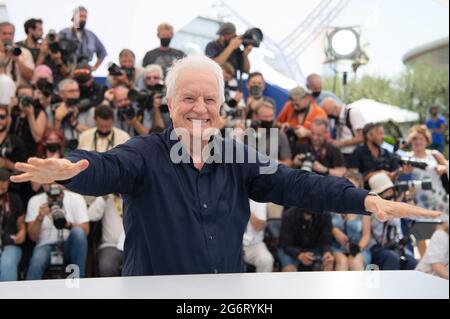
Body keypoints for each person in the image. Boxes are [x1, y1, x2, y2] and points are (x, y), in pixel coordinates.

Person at [11, 55, 439, 276]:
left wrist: (366, 200)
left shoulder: (238, 157)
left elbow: (296, 184)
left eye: (209, 99)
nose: (199, 108)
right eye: (188, 98)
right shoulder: (144, 154)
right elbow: (103, 166)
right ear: (170, 104)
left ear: (221, 107)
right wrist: (71, 167)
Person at [25, 183, 89, 279]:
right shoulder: (35, 201)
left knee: (78, 233)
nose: (52, 184)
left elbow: (85, 231)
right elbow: (33, 237)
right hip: (45, 245)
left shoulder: (76, 198)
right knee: (37, 260)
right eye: (48, 181)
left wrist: (66, 224)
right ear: (43, 183)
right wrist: (40, 217)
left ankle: (78, 281)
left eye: (56, 181)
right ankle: (30, 292)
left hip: (69, 244)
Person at [367, 172, 418, 270]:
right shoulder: (372, 209)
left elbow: (411, 218)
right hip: (378, 247)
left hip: (396, 246)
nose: (391, 193)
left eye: (392, 190)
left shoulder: (394, 203)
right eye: (387, 191)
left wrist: (408, 198)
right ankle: (388, 285)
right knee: (392, 258)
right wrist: (396, 204)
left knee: (412, 262)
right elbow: (386, 220)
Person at [331, 171, 371, 270]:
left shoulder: (364, 209)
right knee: (342, 262)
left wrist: (357, 249)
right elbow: (324, 225)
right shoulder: (331, 204)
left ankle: (360, 286)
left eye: (353, 188)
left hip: (358, 247)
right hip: (335, 246)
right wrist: (334, 231)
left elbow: (366, 235)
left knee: (355, 261)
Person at [279, 207, 334, 272]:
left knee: (328, 263)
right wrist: (300, 255)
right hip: (291, 248)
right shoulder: (288, 215)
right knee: (289, 269)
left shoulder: (325, 215)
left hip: (314, 248)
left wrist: (327, 252)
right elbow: (286, 244)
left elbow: (325, 240)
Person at [59, 6, 107, 71]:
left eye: (85, 17)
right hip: (67, 69)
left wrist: (95, 67)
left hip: (85, 69)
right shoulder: (64, 33)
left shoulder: (91, 35)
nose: (83, 19)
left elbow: (102, 52)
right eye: (81, 16)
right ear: (73, 17)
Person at [88, 193, 125, 277]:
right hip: (111, 246)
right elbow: (91, 216)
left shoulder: (135, 197)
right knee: (107, 266)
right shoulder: (107, 197)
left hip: (135, 246)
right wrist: (103, 197)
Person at [321, 97, 365, 164]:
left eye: (327, 113)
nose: (327, 116)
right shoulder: (336, 118)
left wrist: (341, 143)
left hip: (354, 156)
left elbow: (362, 137)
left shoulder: (353, 113)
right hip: (342, 155)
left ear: (333, 108)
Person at [0, 168, 26, 281]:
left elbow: (21, 226)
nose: (4, 184)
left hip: (10, 243)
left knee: (7, 264)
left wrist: (22, 233)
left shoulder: (14, 199)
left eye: (6, 181)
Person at [9, 83, 47, 157]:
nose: (24, 99)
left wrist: (30, 115)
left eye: (28, 97)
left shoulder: (39, 112)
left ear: (33, 98)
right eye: (22, 96)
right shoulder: (14, 111)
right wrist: (9, 109)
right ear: (16, 97)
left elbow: (37, 138)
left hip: (30, 155)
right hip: (12, 153)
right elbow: (5, 132)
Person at [242, 200, 273, 273]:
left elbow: (260, 226)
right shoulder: (229, 198)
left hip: (253, 244)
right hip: (231, 243)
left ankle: (261, 284)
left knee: (266, 260)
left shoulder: (258, 199)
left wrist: (244, 208)